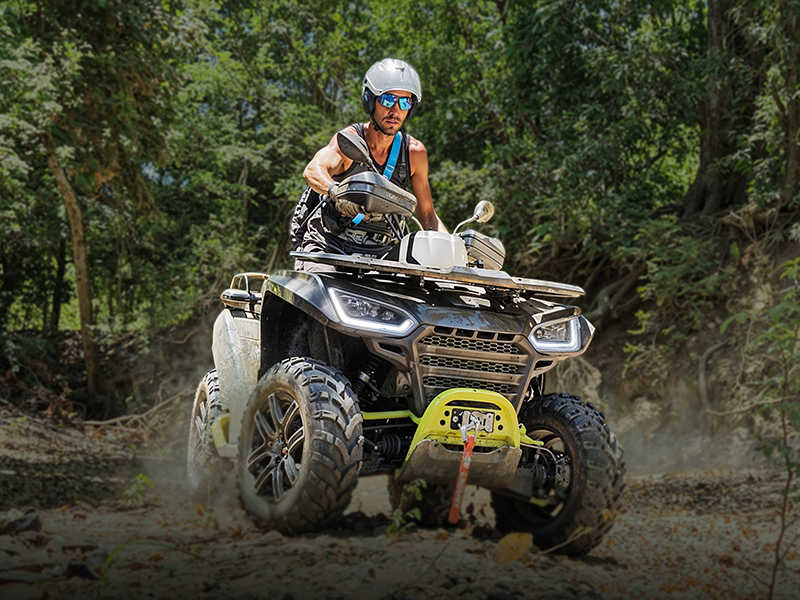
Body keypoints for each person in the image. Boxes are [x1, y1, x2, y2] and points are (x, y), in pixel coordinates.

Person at [290, 58, 447, 273]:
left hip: (384, 255)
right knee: (325, 299)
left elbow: (428, 216)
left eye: (404, 103)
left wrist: (453, 251)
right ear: (370, 101)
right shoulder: (348, 140)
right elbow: (313, 170)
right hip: (330, 247)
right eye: (388, 99)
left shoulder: (414, 153)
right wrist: (336, 192)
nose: (395, 110)